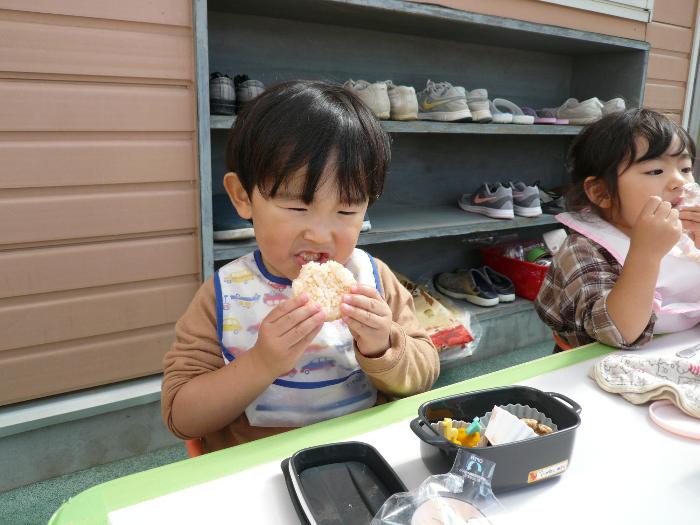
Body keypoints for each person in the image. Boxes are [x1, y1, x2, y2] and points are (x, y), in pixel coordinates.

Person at [161, 80, 439, 452]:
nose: (320, 235)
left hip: (363, 452)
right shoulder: (224, 295)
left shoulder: (373, 280)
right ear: (243, 197)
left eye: (346, 210)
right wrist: (261, 363)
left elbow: (424, 374)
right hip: (255, 467)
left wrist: (382, 346)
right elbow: (182, 416)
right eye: (296, 207)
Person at [535, 108, 700, 351]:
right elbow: (618, 332)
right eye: (656, 171)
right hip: (591, 370)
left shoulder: (683, 235)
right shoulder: (582, 250)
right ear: (602, 192)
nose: (680, 182)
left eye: (685, 169)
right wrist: (645, 255)